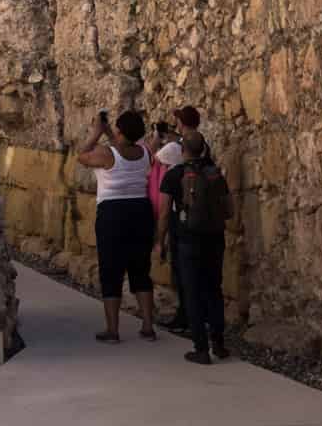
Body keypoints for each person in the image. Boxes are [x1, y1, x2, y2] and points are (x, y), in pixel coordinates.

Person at [76, 108, 157, 342]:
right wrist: (111, 131)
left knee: (111, 270)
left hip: (113, 213)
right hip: (141, 211)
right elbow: (123, 146)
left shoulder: (105, 153)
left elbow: (82, 156)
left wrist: (96, 132)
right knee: (141, 269)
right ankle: (148, 327)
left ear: (120, 131)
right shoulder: (145, 152)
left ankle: (112, 330)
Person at [157, 130, 233, 364]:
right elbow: (229, 209)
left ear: (182, 151)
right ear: (204, 148)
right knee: (214, 289)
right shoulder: (215, 174)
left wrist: (161, 241)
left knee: (192, 293)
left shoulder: (175, 175)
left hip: (187, 241)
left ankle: (201, 348)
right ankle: (219, 343)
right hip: (215, 238)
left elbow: (163, 213)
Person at [148, 106, 201, 331]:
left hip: (179, 215)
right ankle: (203, 317)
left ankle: (186, 318)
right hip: (200, 214)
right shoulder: (202, 143)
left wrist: (155, 138)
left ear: (180, 122)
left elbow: (150, 159)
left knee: (181, 271)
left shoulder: (171, 149)